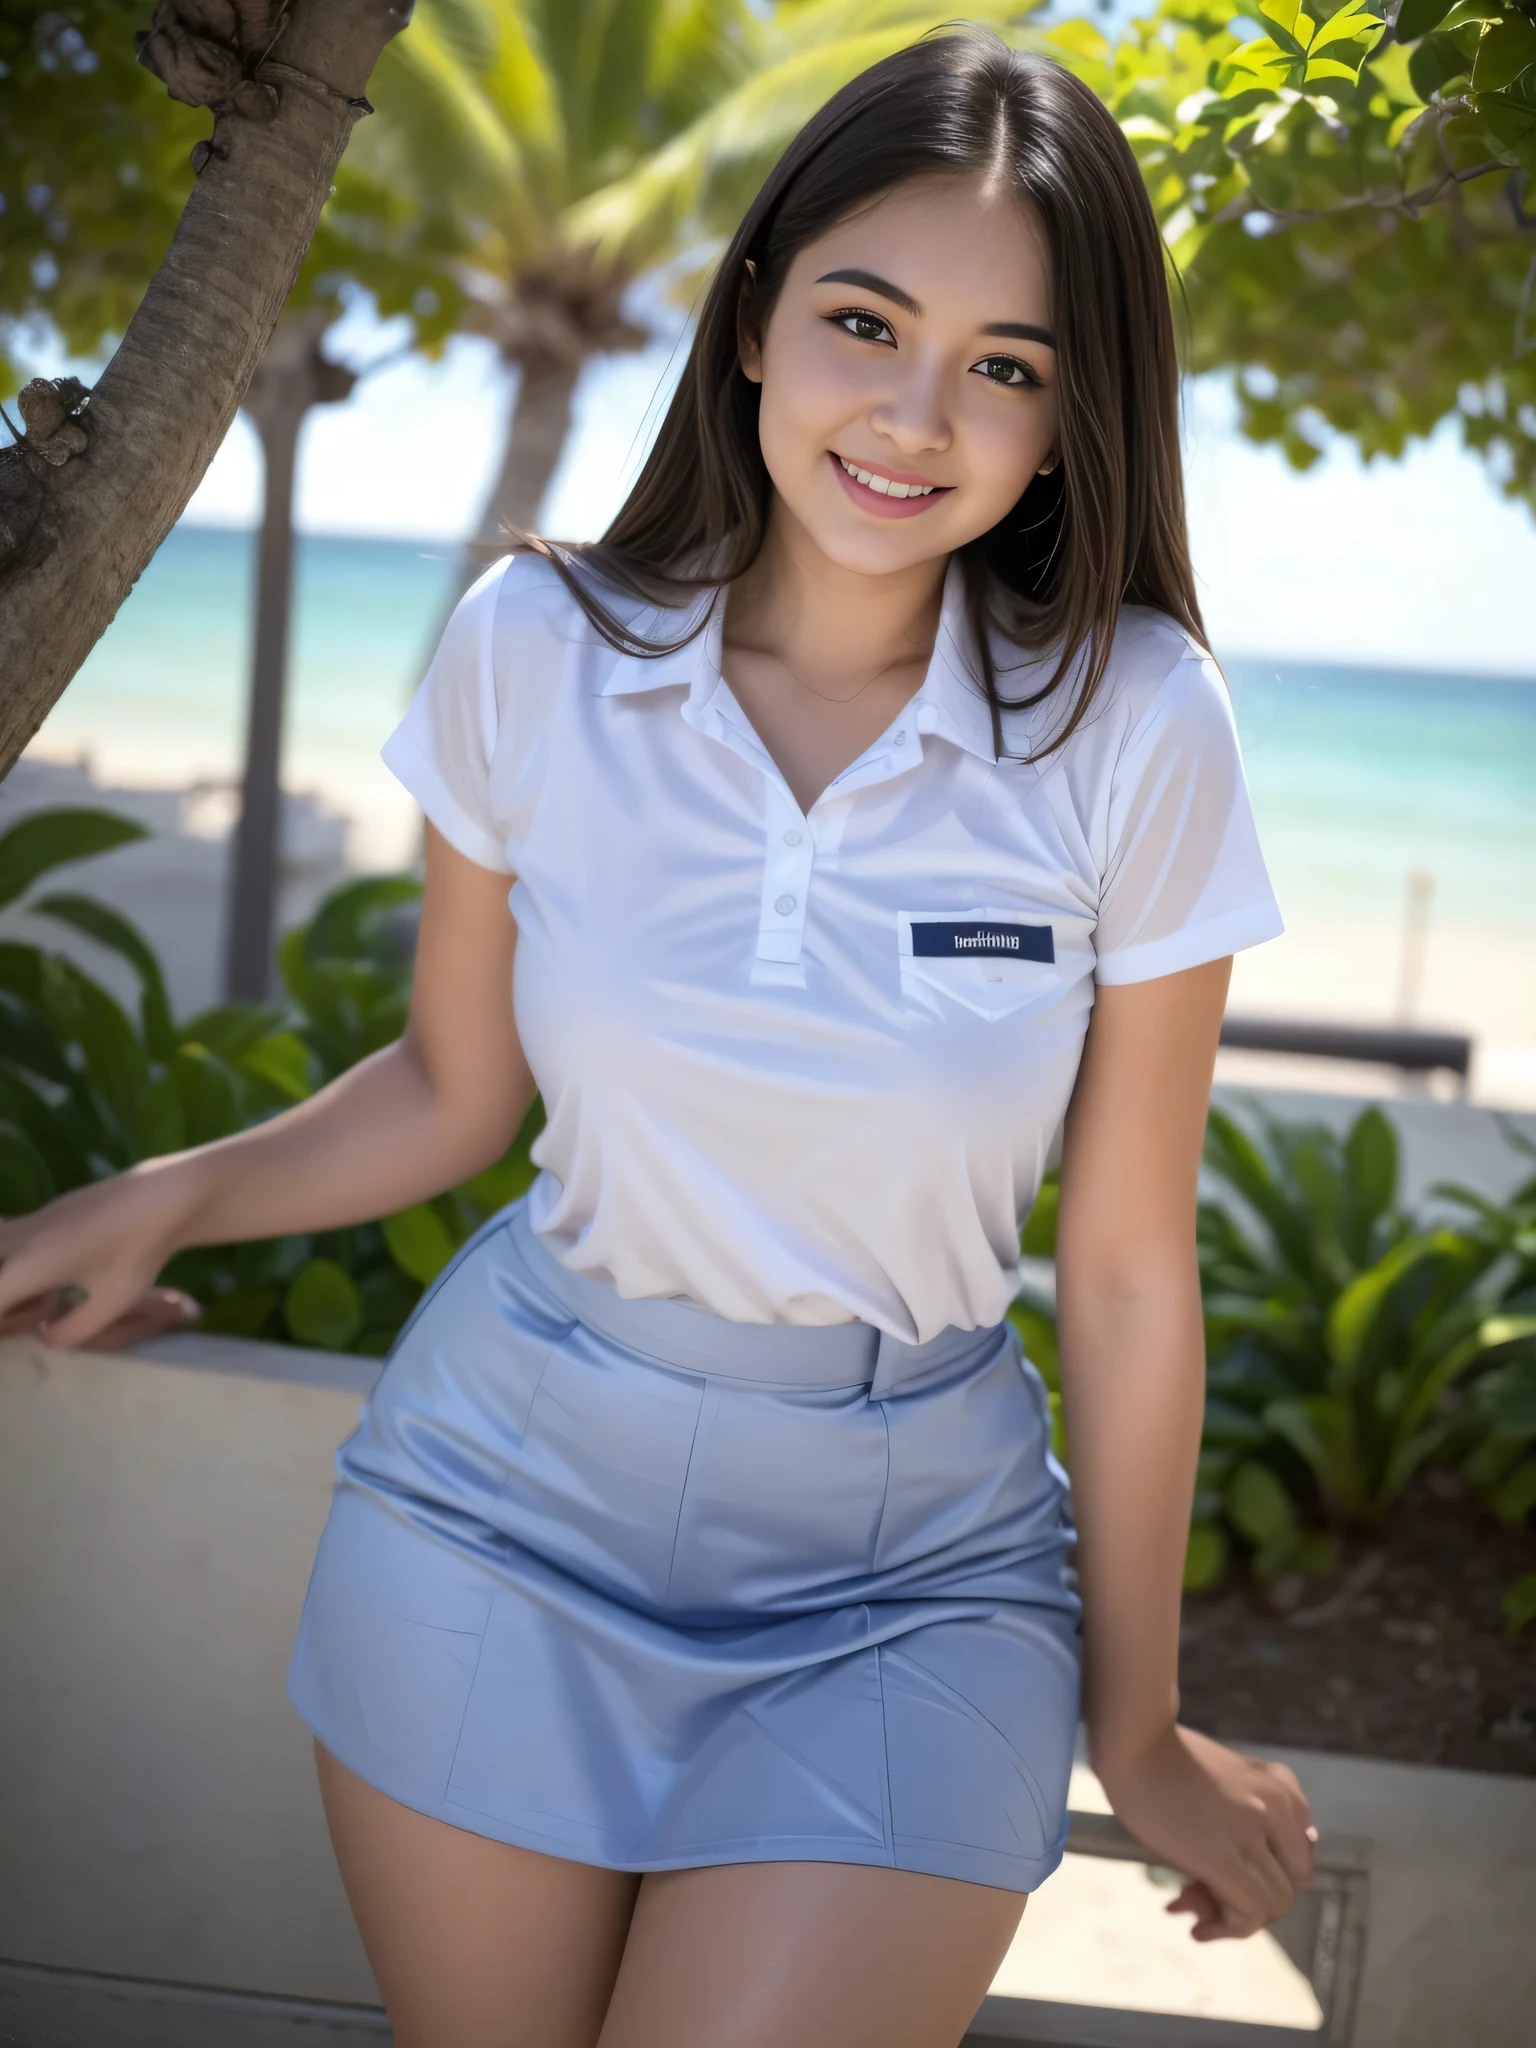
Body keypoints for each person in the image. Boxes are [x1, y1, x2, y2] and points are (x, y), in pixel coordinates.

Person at [0, 30, 1319, 2048]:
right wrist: (166, 1196)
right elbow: (459, 1087)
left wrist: (1134, 1726)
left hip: (911, 1579)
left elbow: (1132, 1269)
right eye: (864, 323)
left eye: (1006, 363)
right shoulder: (540, 647)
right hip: (504, 1510)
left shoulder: (1136, 723)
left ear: (1071, 421)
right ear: (752, 329)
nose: (912, 413)